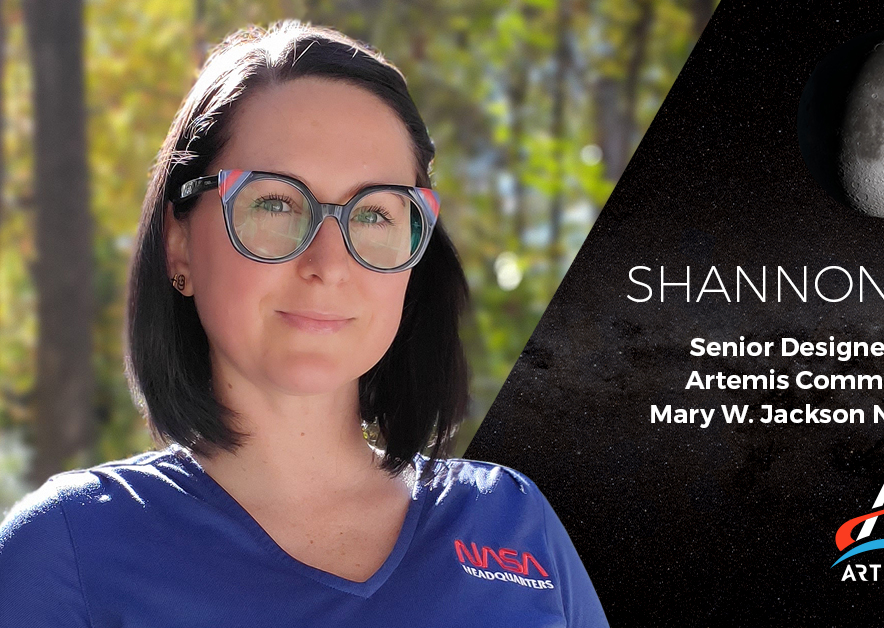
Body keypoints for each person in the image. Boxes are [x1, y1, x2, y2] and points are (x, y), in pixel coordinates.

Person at [0, 21, 607, 627]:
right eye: (274, 203)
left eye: (374, 213)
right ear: (178, 244)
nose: (328, 264)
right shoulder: (67, 550)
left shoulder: (515, 524)